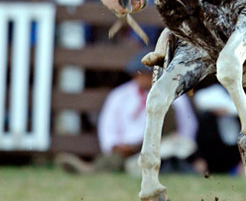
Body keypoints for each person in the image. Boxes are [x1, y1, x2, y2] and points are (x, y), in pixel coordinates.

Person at [55, 51, 200, 175]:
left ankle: (91, 169)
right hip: (128, 147)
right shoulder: (120, 96)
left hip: (163, 146)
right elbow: (108, 126)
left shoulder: (172, 94)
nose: (143, 78)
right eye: (140, 74)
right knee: (117, 158)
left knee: (167, 150)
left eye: (148, 74)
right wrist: (113, 145)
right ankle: (90, 169)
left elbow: (188, 126)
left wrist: (182, 144)